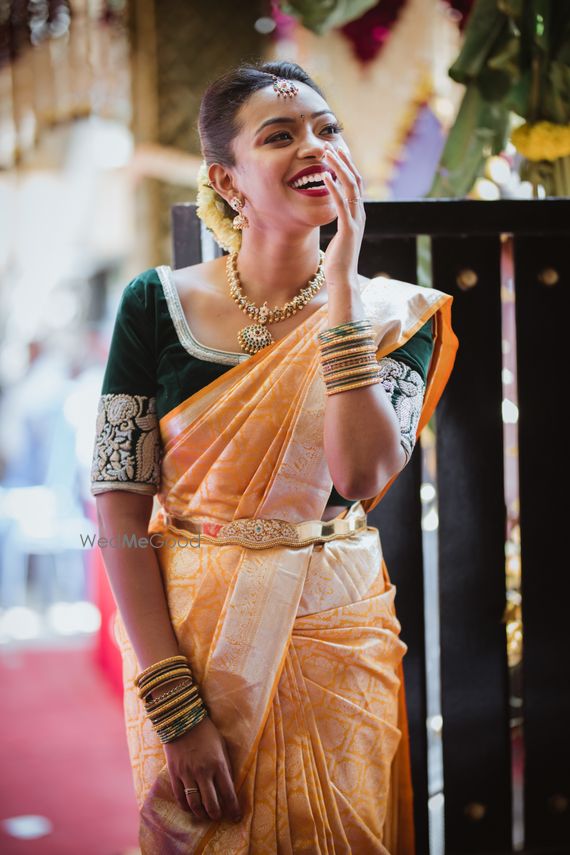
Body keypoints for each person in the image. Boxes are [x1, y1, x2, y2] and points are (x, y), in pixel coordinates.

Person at [91, 60, 458, 854]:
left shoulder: (398, 314)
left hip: (333, 630)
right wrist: (174, 703)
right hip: (193, 641)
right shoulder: (155, 305)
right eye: (281, 135)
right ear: (227, 180)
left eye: (328, 130)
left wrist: (343, 298)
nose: (315, 147)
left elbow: (359, 476)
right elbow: (119, 504)